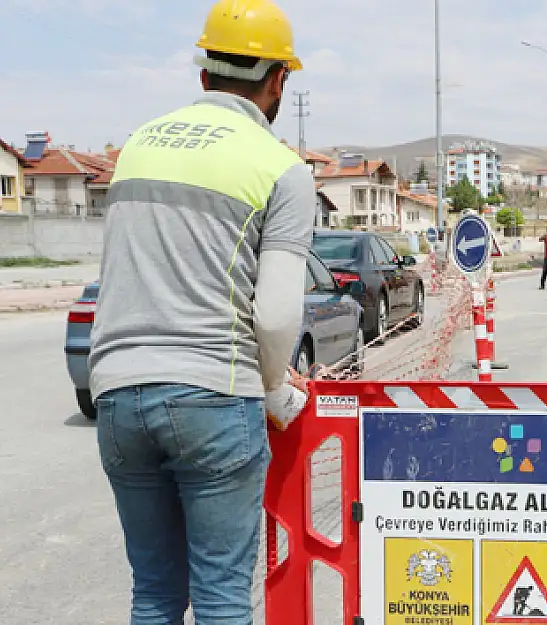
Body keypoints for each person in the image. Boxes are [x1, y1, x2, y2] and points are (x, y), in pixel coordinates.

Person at [87, 1, 316, 622]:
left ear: (203, 75)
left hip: (116, 395)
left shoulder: (137, 146)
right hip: (213, 393)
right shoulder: (280, 168)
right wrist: (275, 386)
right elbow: (273, 315)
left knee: (156, 592)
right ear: (278, 81)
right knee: (220, 596)